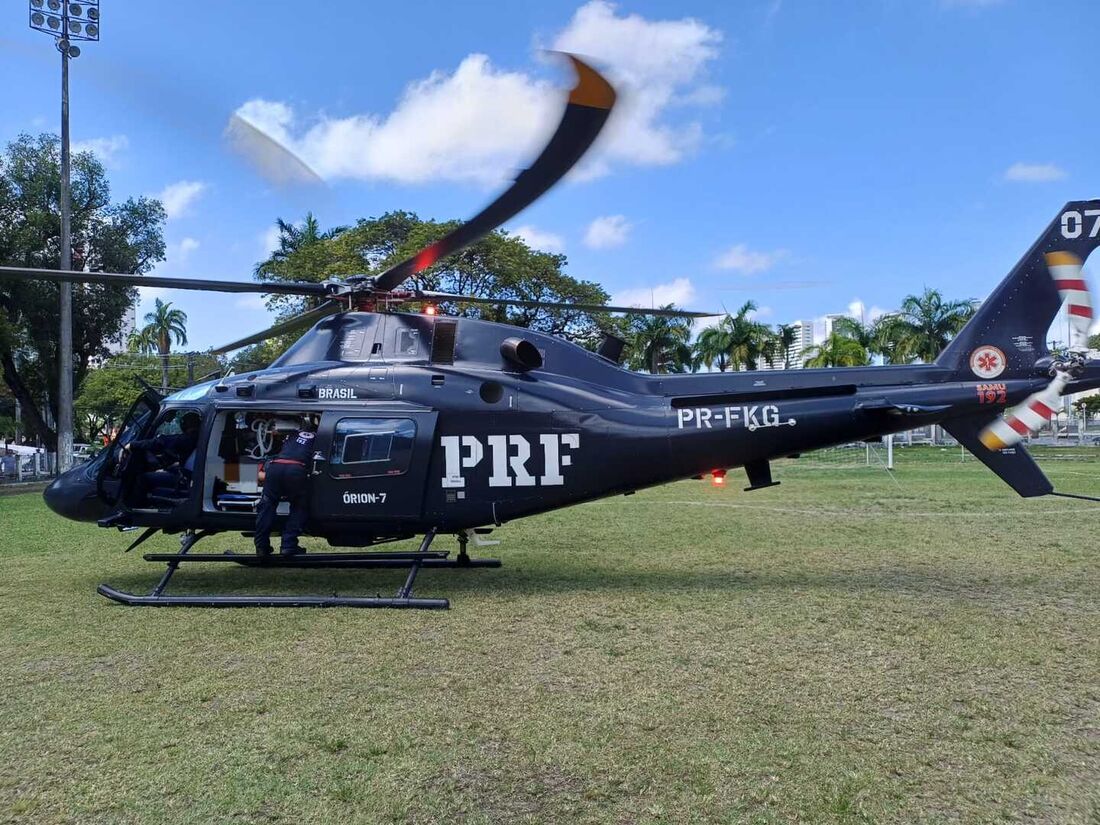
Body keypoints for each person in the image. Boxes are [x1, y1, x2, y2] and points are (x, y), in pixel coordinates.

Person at [254, 419, 316, 557]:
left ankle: (261, 547)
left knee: (267, 506)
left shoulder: (292, 434)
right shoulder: (319, 437)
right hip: (296, 469)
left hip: (276, 467)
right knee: (299, 506)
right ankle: (288, 545)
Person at [124, 411, 201, 501]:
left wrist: (132, 445)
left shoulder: (188, 439)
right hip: (192, 476)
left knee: (144, 478)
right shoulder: (199, 437)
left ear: (184, 425)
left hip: (188, 480)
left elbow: (161, 442)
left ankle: (136, 506)